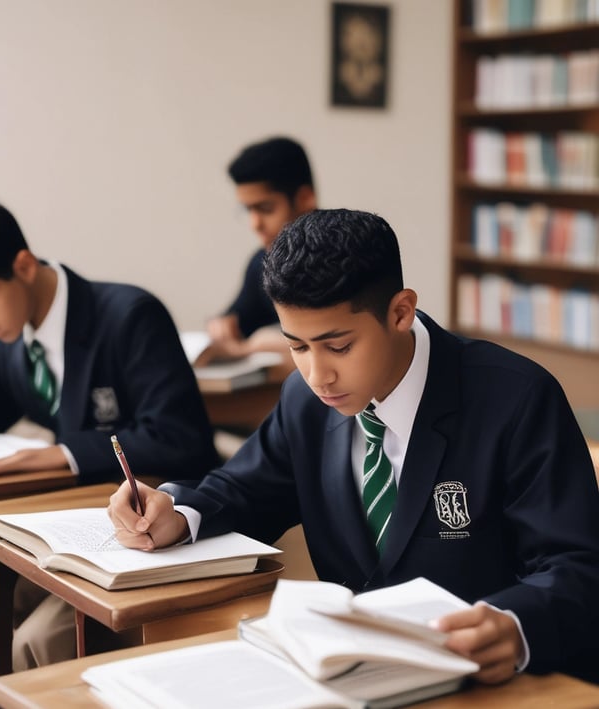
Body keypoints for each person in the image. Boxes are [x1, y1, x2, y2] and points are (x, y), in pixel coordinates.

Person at [109, 208, 599, 686]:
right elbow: (246, 488)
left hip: (497, 684)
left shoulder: (517, 398)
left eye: (338, 346)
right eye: (297, 347)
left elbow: (577, 568)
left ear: (401, 312)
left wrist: (514, 624)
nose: (317, 375)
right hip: (352, 678)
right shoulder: (305, 402)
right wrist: (178, 511)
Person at [0, 196, 220, 695]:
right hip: (59, 519)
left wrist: (65, 453)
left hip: (143, 525)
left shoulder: (129, 316)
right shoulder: (5, 327)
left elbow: (181, 438)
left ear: (23, 266)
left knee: (37, 642)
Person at [197, 136, 317, 366]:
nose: (255, 224)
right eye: (248, 210)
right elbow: (236, 321)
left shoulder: (343, 259)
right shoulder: (263, 262)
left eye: (265, 208)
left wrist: (250, 347)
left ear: (304, 198)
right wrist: (221, 325)